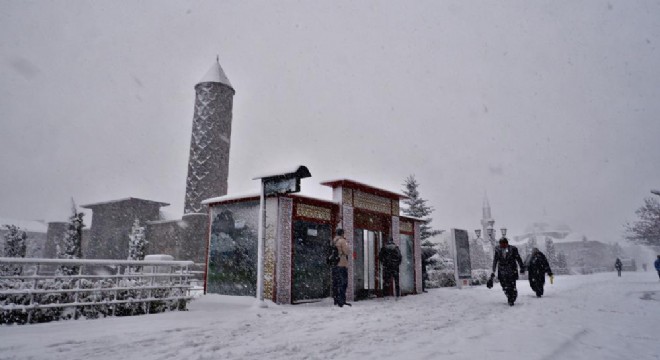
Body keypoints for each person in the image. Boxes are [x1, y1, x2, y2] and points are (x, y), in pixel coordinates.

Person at [491, 237, 525, 306]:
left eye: (504, 244)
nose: (502, 245)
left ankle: (512, 297)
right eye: (501, 244)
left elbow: (518, 258)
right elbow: (495, 260)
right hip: (502, 270)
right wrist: (493, 270)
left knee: (512, 285)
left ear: (507, 243)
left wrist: (522, 267)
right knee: (504, 285)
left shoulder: (513, 249)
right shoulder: (497, 249)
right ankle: (509, 295)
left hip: (511, 270)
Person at [331, 229, 351, 307]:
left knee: (335, 283)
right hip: (342, 263)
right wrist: (347, 246)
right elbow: (346, 252)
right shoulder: (342, 241)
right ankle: (341, 300)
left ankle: (336, 300)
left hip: (335, 264)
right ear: (342, 233)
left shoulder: (334, 240)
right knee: (343, 283)